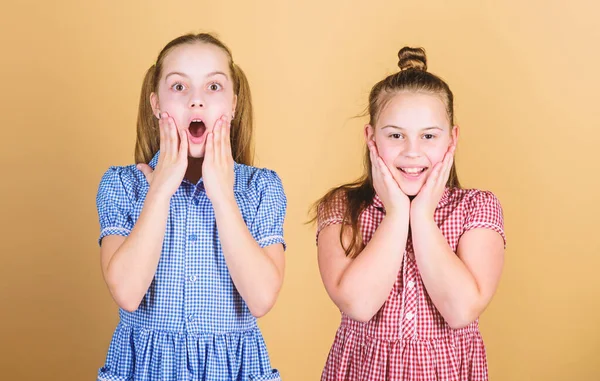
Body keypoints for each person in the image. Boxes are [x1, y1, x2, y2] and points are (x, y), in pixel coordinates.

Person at [95, 33, 286, 381]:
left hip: (233, 369)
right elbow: (127, 292)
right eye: (179, 87)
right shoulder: (122, 185)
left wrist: (223, 196)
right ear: (156, 104)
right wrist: (161, 189)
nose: (196, 102)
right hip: (146, 369)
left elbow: (260, 299)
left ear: (233, 104)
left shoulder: (261, 188)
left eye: (213, 87)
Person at [313, 47, 506, 381]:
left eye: (429, 136)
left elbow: (460, 310)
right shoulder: (342, 208)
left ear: (452, 139)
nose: (412, 152)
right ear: (371, 137)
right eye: (395, 135)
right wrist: (396, 214)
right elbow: (358, 305)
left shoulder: (478, 208)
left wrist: (422, 217)